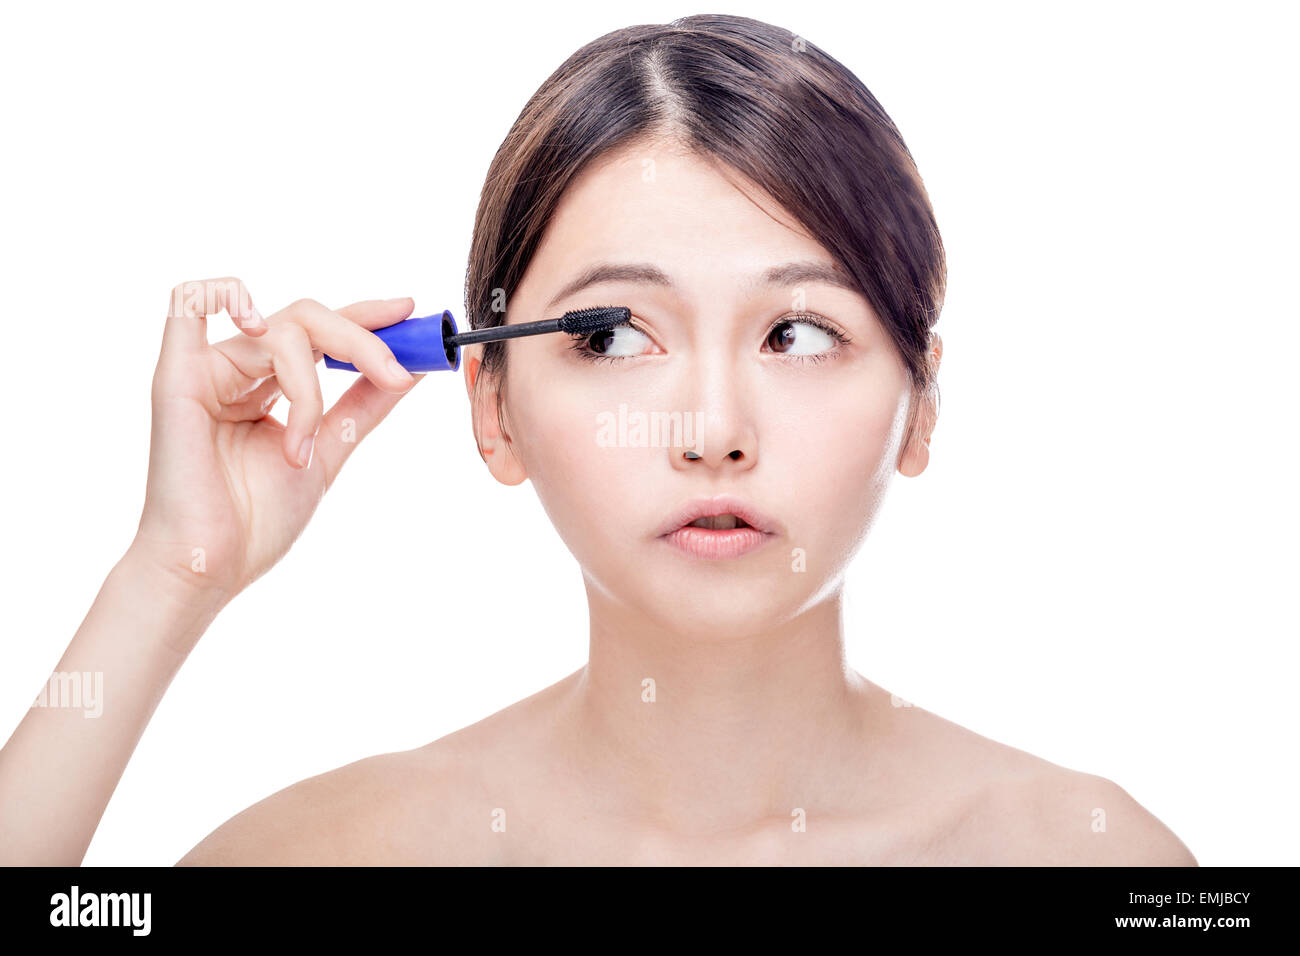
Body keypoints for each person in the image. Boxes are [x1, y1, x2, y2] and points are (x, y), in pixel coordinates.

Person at [0, 14, 1195, 866]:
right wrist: (169, 574)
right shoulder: (325, 855)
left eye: (796, 330)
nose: (714, 432)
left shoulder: (1089, 859)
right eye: (617, 335)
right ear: (493, 405)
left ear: (920, 402)